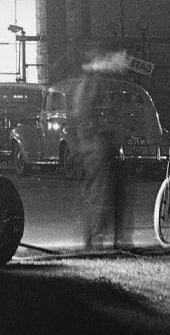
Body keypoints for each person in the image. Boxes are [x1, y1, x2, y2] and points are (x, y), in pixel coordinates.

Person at [71, 71, 127, 250]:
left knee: (100, 192)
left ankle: (96, 238)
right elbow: (92, 119)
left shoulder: (85, 87)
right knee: (102, 192)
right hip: (98, 148)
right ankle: (99, 238)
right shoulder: (91, 87)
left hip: (95, 148)